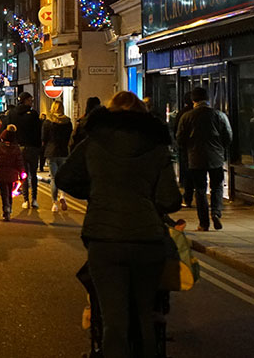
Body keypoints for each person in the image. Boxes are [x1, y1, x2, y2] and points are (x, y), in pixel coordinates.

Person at [56, 91, 181, 358]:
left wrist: (96, 194)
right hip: (147, 239)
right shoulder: (157, 146)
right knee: (145, 315)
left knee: (114, 320)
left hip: (105, 240)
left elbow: (65, 178)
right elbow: (170, 199)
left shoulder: (93, 142)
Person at [176, 86, 232, 231]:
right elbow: (228, 136)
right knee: (217, 186)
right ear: (207, 99)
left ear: (193, 100)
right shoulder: (219, 115)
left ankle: (204, 223)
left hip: (195, 158)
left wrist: (187, 150)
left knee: (200, 190)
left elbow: (180, 139)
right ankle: (216, 212)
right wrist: (220, 148)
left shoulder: (186, 117)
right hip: (216, 157)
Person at [5, 92, 42, 209]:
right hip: (32, 147)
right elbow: (38, 132)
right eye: (30, 100)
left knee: (23, 174)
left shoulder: (12, 114)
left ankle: (26, 200)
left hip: (18, 147)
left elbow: (7, 130)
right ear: (25, 100)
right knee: (33, 174)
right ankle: (34, 199)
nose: (31, 102)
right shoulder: (33, 114)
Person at [42, 100, 73, 212]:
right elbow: (70, 136)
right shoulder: (68, 122)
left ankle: (54, 204)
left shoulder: (48, 122)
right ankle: (62, 195)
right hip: (64, 152)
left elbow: (44, 138)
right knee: (62, 176)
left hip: (51, 152)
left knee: (54, 178)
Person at [0, 127, 25, 221]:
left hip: (1, 172)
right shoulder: (16, 148)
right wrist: (22, 171)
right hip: (12, 173)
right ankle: (9, 208)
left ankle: (6, 209)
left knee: (4, 193)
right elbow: (19, 161)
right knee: (10, 191)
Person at [170, 93, 195, 206]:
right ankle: (215, 206)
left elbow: (177, 132)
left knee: (188, 173)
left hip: (187, 149)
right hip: (210, 152)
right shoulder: (214, 114)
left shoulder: (183, 114)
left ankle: (188, 198)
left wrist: (179, 144)